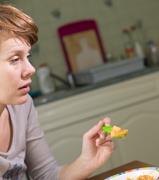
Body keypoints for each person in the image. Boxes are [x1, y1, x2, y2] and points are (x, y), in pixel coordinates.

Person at [0, 4, 114, 179]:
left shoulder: (23, 106)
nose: (30, 69)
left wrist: (87, 162)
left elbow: (47, 176)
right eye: (15, 59)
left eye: (27, 57)